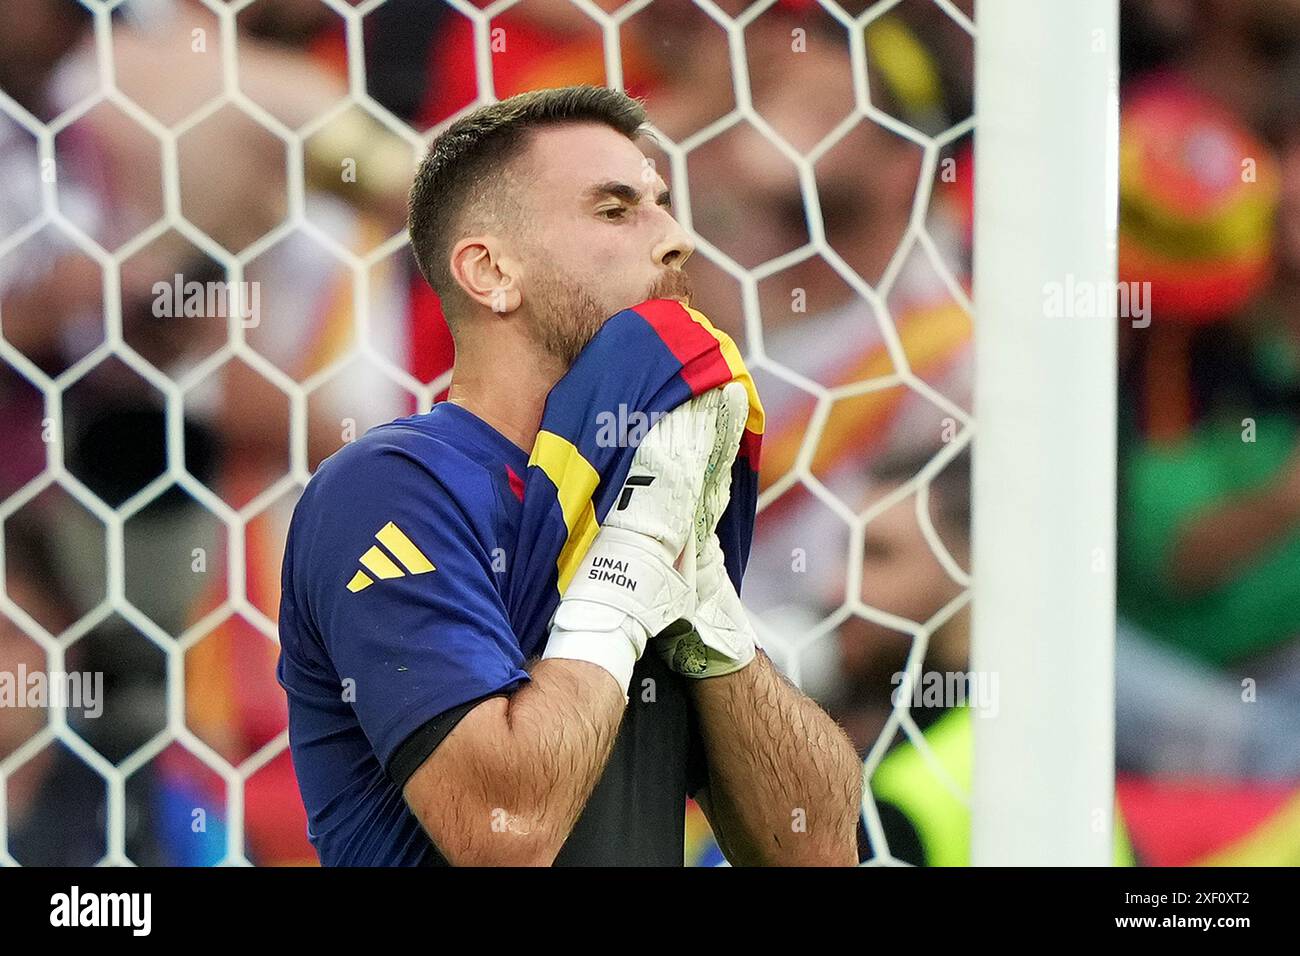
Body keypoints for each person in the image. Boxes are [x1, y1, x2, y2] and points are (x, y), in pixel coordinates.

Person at [276, 85, 862, 866]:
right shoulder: (389, 487)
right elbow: (502, 832)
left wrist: (705, 602)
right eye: (617, 211)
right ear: (490, 272)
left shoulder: (648, 488)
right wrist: (630, 558)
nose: (676, 239)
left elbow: (816, 850)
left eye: (661, 204)